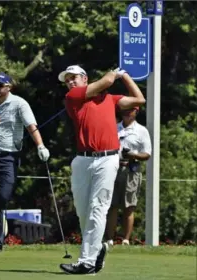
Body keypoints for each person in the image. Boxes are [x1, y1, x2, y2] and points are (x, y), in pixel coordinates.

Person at [58, 65, 146, 275]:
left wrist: (125, 76)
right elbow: (106, 81)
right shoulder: (73, 96)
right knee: (83, 212)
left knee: (98, 207)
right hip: (82, 160)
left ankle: (87, 262)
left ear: (85, 78)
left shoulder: (111, 99)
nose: (70, 82)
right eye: (67, 79)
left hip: (107, 159)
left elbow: (139, 99)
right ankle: (96, 251)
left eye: (74, 78)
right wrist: (115, 73)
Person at [0, 72, 50, 253]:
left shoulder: (19, 103)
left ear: (9, 87)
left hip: (9, 156)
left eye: (0, 85)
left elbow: (31, 126)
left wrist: (40, 146)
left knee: (2, 196)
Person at [106, 106, 152, 246]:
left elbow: (147, 154)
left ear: (136, 112)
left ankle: (126, 240)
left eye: (130, 110)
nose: (127, 112)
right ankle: (109, 239)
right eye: (125, 110)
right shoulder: (114, 127)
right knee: (112, 205)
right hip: (113, 168)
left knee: (129, 205)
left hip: (132, 169)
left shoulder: (142, 131)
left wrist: (133, 154)